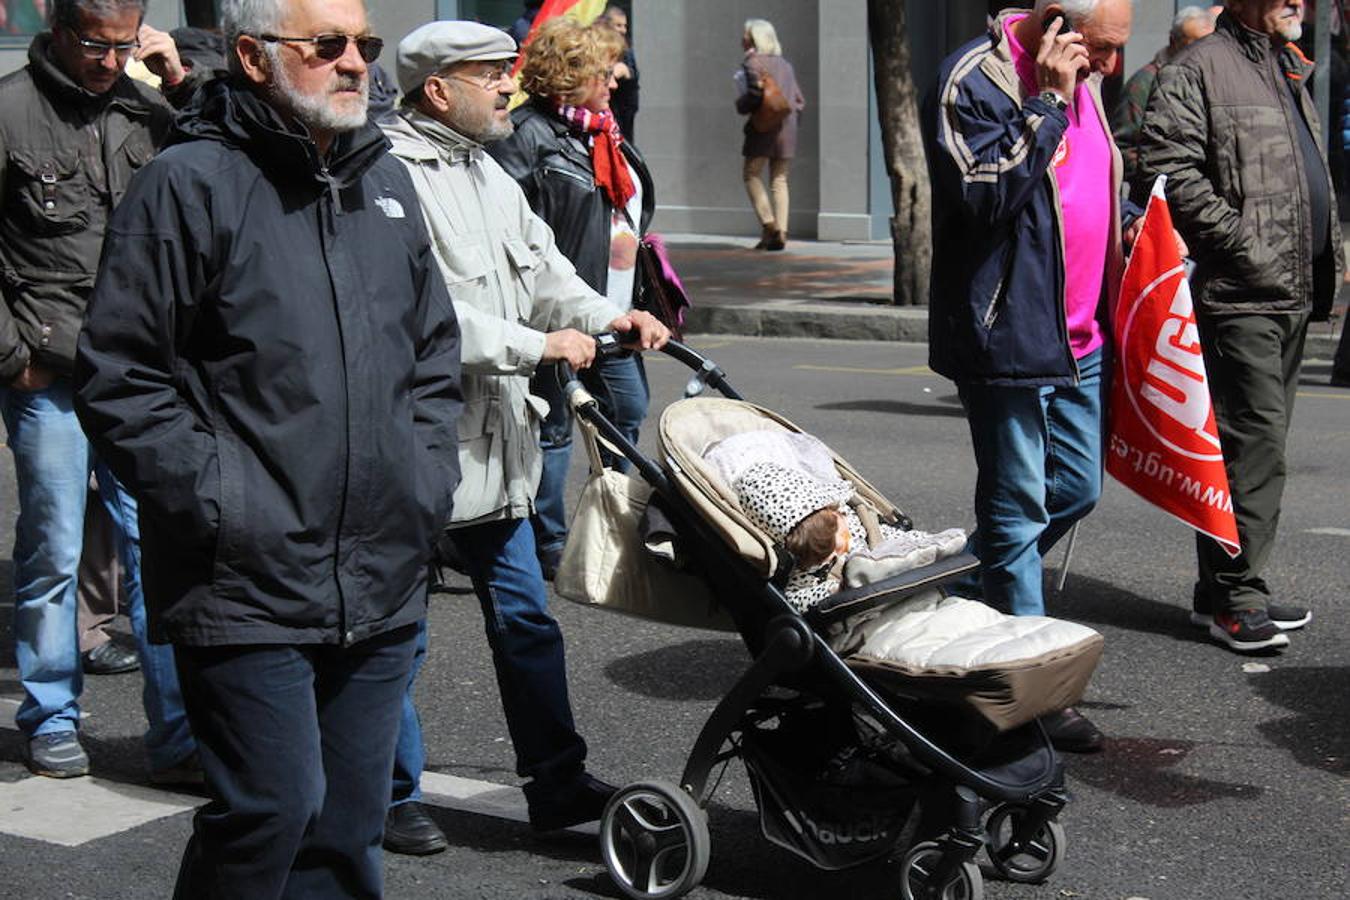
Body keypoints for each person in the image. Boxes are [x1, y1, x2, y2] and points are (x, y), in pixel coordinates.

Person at [72, 0, 462, 894]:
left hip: (380, 570)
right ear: (254, 56)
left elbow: (434, 355)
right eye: (327, 46)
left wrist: (424, 478)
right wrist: (220, 504)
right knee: (270, 812)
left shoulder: (386, 183)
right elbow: (122, 373)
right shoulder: (187, 182)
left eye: (363, 45)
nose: (357, 63)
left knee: (349, 828)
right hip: (243, 576)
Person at [379, 19, 667, 850]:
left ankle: (557, 781)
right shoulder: (392, 176)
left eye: (508, 72)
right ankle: (394, 795)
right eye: (492, 74)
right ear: (439, 89)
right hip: (423, 443)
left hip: (497, 439)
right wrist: (534, 346)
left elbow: (542, 270)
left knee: (526, 620)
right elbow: (419, 314)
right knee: (400, 633)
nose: (509, 85)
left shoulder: (485, 168)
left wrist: (610, 315)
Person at [923, 0, 1139, 753]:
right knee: (1016, 507)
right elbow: (984, 193)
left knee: (1075, 488)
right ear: (1056, 23)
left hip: (1080, 332)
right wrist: (1046, 102)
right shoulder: (972, 80)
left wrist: (1136, 220)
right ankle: (1024, 694)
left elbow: (1092, 181)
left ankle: (963, 594)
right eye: (1103, 49)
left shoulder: (1087, 77)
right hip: (1007, 330)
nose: (1111, 67)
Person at [0, 0, 198, 781]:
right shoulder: (11, 109)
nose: (109, 61)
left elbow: (231, 152)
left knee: (159, 551)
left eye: (124, 47)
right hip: (49, 373)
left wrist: (181, 82)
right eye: (94, 45)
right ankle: (51, 716)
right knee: (53, 548)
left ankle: (178, 733)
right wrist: (12, 355)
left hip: (142, 373)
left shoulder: (149, 108)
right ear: (55, 28)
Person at [1137, 0, 1342, 653]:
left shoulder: (1280, 64)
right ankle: (1238, 598)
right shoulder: (1202, 66)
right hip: (1242, 292)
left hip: (1288, 291)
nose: (1299, 4)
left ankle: (1221, 591)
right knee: (1254, 448)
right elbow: (1165, 165)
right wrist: (1242, 246)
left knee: (1255, 444)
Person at [488, 17, 657, 580]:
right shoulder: (525, 135)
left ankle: (605, 522)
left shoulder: (602, 130)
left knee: (626, 410)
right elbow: (513, 233)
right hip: (560, 312)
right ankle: (549, 545)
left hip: (611, 307)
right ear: (570, 75)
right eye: (604, 73)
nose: (615, 83)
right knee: (557, 426)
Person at [1110, 5, 1215, 185]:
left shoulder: (1207, 80)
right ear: (1174, 41)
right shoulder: (1144, 82)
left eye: (1207, 45)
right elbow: (1122, 148)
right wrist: (1162, 176)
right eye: (1195, 44)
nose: (1201, 53)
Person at [734, 18, 805, 251]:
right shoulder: (785, 65)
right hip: (788, 126)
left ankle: (770, 225)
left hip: (764, 126)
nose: (742, 38)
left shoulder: (752, 63)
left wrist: (741, 104)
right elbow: (798, 100)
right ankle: (780, 233)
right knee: (780, 179)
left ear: (755, 38)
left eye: (746, 34)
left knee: (751, 174)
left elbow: (754, 95)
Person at [601, 5, 639, 140]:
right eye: (618, 25)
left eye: (625, 26)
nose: (623, 30)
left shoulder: (627, 52)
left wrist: (627, 74)